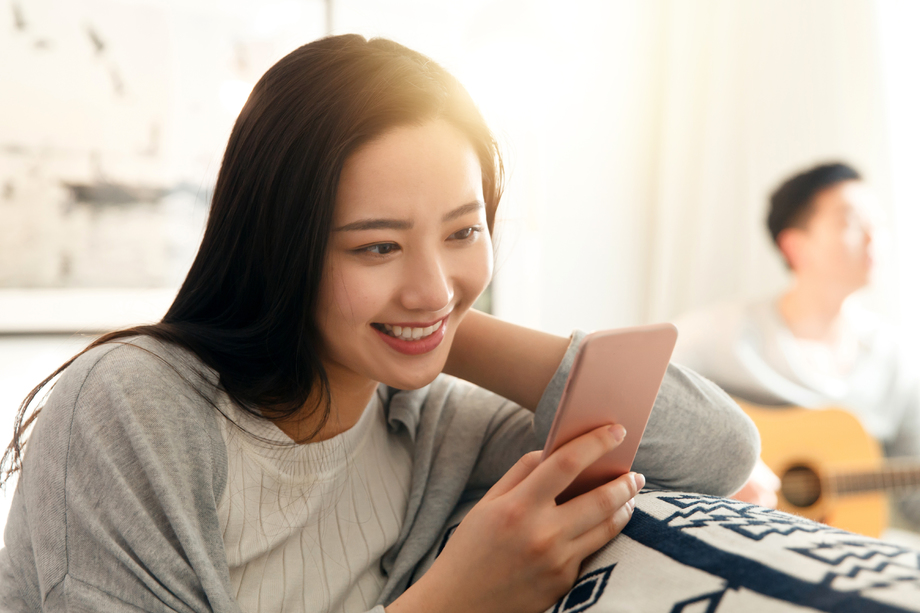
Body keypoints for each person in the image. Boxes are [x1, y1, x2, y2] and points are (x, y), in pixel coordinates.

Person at [0, 35, 758, 612]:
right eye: (377, 246)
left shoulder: (435, 422)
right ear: (279, 247)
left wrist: (446, 322)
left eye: (464, 231)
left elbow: (717, 450)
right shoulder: (135, 404)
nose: (429, 282)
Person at [672, 161, 920, 526]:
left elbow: (910, 498)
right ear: (795, 246)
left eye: (878, 223)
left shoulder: (896, 359)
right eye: (851, 222)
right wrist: (725, 462)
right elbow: (639, 395)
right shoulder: (722, 334)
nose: (874, 237)